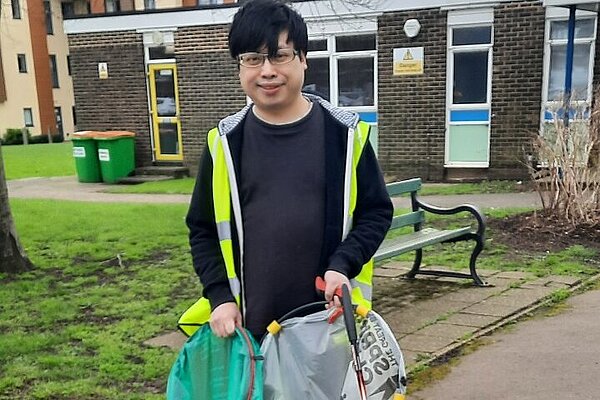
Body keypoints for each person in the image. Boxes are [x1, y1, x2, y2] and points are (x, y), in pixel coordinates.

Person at [185, 0, 392, 340]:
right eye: (252, 59)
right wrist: (220, 298)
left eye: (280, 56)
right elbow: (203, 229)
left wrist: (342, 265)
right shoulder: (224, 142)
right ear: (240, 68)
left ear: (303, 60)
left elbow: (377, 213)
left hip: (330, 323)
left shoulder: (345, 134)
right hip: (249, 329)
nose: (267, 70)